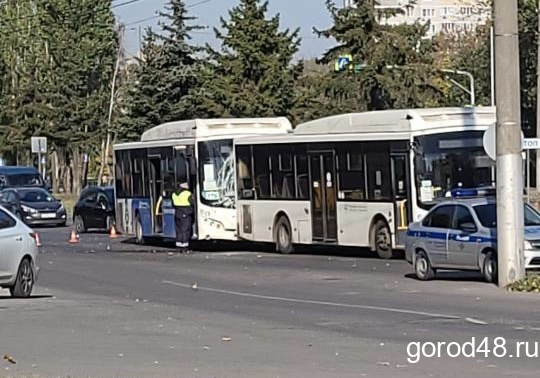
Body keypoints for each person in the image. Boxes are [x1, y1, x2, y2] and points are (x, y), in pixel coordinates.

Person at [172, 182, 194, 252]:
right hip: (186, 213)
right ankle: (185, 247)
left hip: (177, 212)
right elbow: (193, 203)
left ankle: (179, 246)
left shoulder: (174, 193)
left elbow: (173, 204)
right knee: (185, 230)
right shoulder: (187, 193)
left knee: (178, 230)